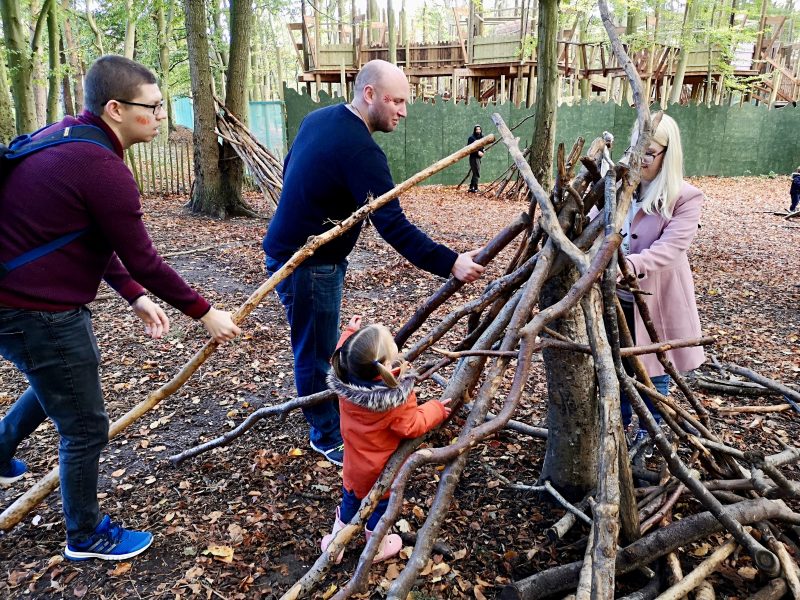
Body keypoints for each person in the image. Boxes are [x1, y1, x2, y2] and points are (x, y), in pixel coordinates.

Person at [0, 55, 240, 561]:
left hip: (20, 301)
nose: (160, 117)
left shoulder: (67, 136)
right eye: (152, 108)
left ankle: (1, 448)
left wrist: (132, 295)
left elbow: (80, 233)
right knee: (85, 424)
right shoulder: (102, 168)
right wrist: (204, 312)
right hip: (35, 309)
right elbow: (146, 259)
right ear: (116, 109)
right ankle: (85, 536)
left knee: (62, 380)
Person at [263, 59, 483, 466]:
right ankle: (326, 434)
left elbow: (290, 167)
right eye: (396, 100)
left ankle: (326, 416)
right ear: (369, 95)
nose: (403, 110)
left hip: (290, 250)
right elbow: (393, 226)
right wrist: (450, 262)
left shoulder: (320, 119)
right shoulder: (362, 151)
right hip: (309, 264)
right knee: (315, 351)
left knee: (315, 342)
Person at [320, 316, 451, 562]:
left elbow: (341, 353)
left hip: (354, 467)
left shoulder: (344, 376)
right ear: (386, 364)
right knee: (379, 509)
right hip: (381, 472)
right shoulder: (395, 399)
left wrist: (349, 333)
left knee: (350, 502)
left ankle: (335, 548)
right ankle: (378, 547)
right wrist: (436, 409)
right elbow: (412, 426)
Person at [614, 113, 705, 445]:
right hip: (613, 299)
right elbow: (593, 224)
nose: (641, 160)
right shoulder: (621, 186)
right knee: (615, 365)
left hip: (654, 301)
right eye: (637, 150)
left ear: (668, 154)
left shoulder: (684, 197)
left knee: (651, 368)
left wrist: (624, 267)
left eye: (649, 153)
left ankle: (648, 434)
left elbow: (670, 250)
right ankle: (616, 431)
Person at [467, 125, 485, 193]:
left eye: (479, 129)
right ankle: (476, 188)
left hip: (478, 158)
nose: (478, 131)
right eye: (477, 130)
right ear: (474, 130)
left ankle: (471, 188)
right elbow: (470, 148)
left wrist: (482, 151)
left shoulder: (481, 137)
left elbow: (482, 147)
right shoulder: (471, 138)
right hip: (473, 158)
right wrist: (478, 152)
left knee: (475, 173)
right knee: (476, 173)